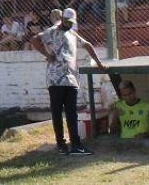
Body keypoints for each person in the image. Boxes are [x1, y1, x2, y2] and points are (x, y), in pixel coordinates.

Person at [31, 8, 107, 155]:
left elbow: (88, 45)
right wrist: (47, 55)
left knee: (72, 113)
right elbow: (34, 40)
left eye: (72, 22)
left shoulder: (72, 33)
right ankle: (61, 144)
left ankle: (76, 145)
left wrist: (99, 63)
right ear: (62, 19)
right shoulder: (51, 31)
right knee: (57, 112)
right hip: (55, 78)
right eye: (67, 22)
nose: (69, 24)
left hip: (71, 78)